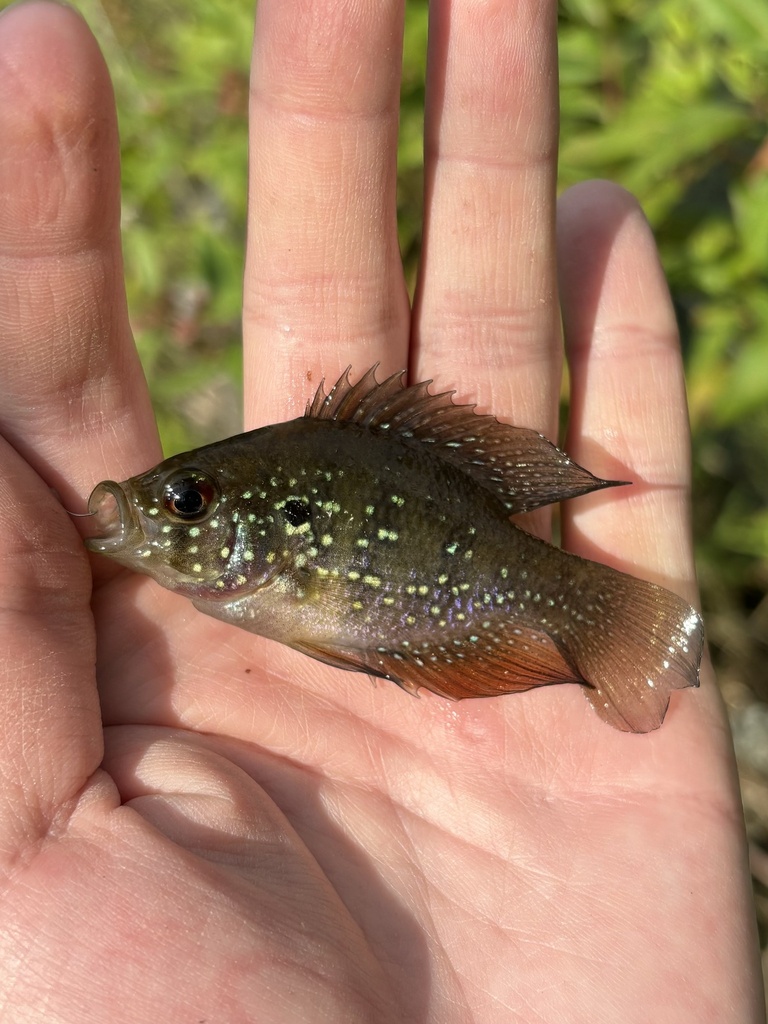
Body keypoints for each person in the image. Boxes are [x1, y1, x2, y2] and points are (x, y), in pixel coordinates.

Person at [0, 1, 762, 1021]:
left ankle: (618, 625)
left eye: (185, 501)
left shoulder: (274, 567)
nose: (159, 512)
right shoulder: (261, 565)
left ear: (264, 525)